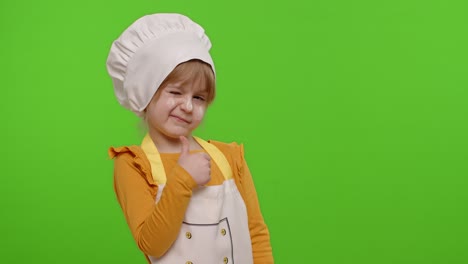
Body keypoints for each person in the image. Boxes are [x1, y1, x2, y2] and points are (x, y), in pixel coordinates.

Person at [106, 13, 274, 264]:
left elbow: (256, 235)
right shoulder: (133, 165)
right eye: (175, 92)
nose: (187, 106)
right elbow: (153, 244)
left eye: (199, 97)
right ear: (144, 92)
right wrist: (183, 179)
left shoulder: (229, 158)